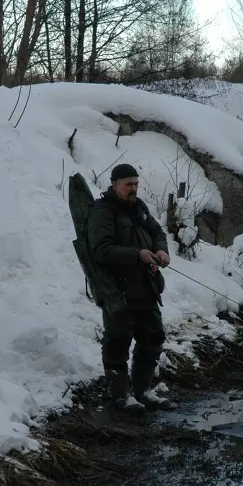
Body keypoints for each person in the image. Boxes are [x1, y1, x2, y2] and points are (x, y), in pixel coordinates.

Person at [87, 163, 177, 412]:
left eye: (136, 183)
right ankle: (120, 397)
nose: (133, 188)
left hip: (146, 287)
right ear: (114, 184)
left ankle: (142, 391)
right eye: (128, 184)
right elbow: (101, 250)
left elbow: (157, 231)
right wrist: (138, 254)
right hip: (118, 291)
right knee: (118, 342)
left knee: (153, 338)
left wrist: (161, 249)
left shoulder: (139, 206)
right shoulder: (102, 211)